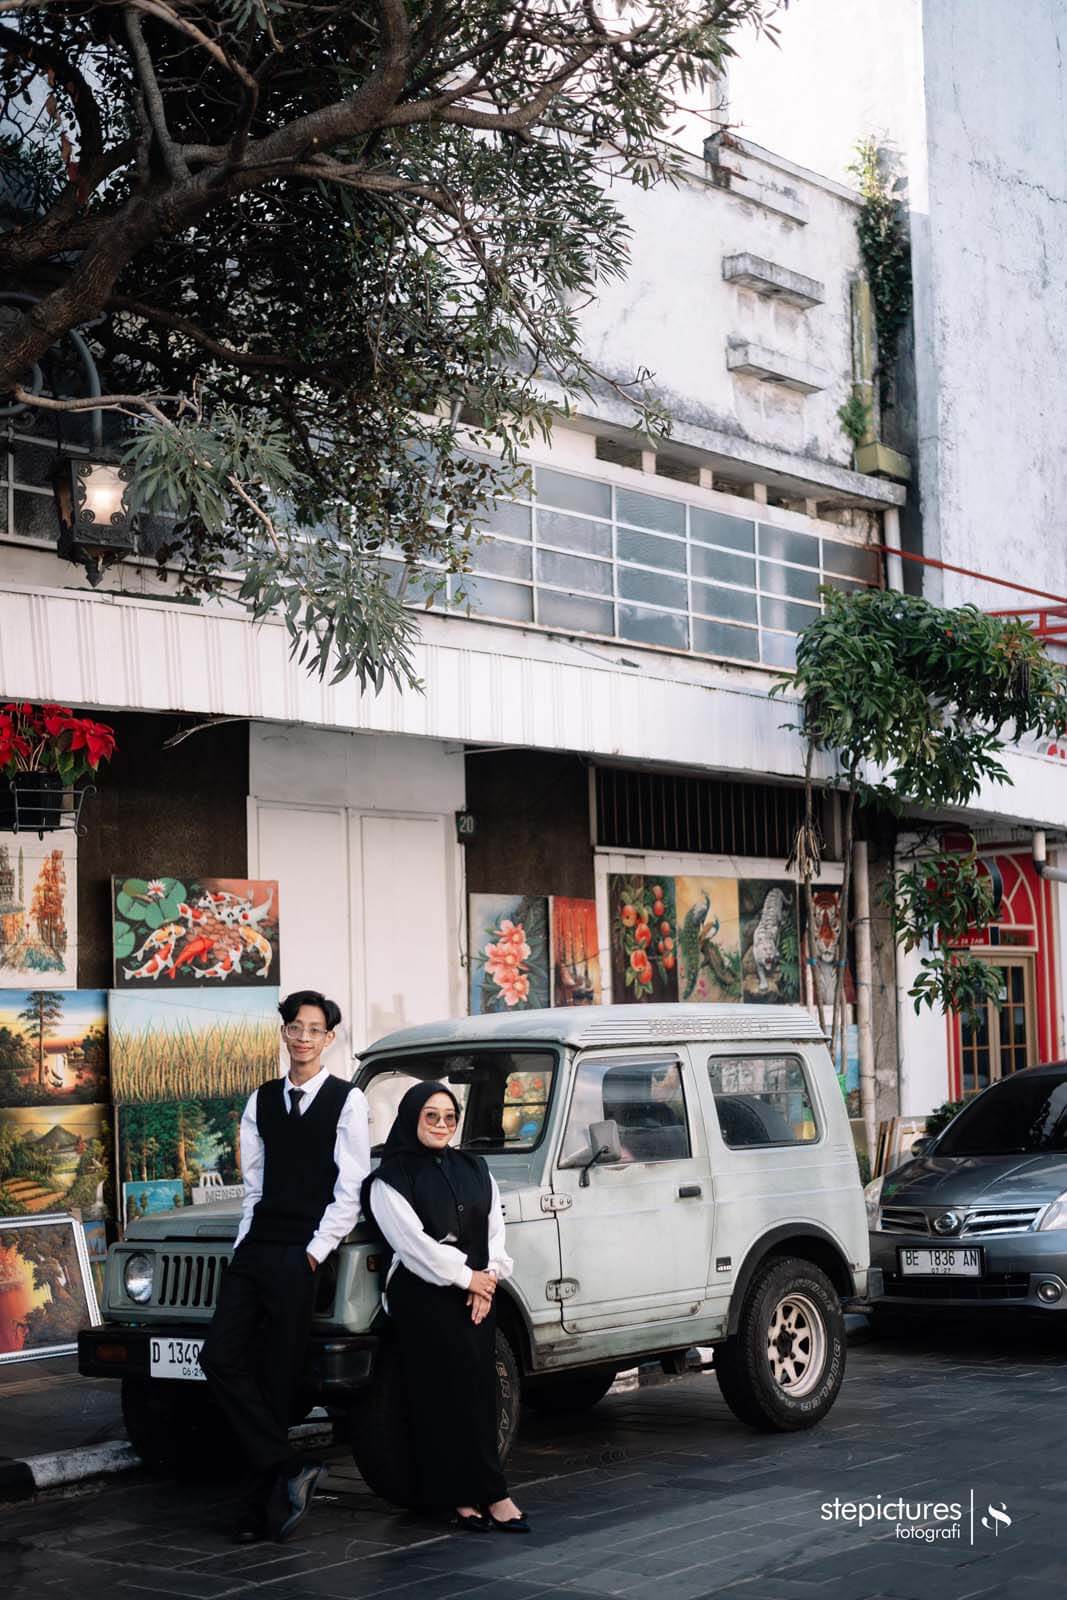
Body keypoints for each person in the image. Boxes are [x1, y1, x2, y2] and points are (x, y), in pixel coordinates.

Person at [199, 990, 370, 1544]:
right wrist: (244, 1244)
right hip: (256, 1250)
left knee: (276, 1379)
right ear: (285, 1032)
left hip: (302, 1253)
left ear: (329, 1038)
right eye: (295, 1027)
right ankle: (289, 1464)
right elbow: (255, 1186)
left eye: (314, 1029)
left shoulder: (347, 1101)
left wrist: (315, 1252)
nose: (303, 1037)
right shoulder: (262, 1100)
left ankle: (259, 1512)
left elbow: (351, 1189)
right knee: (219, 1357)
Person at [364, 1080, 528, 1532]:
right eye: (431, 1116)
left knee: (482, 1392)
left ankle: (492, 1492)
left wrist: (487, 1278)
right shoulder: (389, 1179)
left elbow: (494, 1229)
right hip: (423, 1295)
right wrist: (468, 1277)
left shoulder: (475, 1168)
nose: (441, 1124)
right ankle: (459, 1496)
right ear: (412, 1118)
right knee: (441, 1397)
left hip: (476, 1293)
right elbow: (413, 1246)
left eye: (449, 1117)